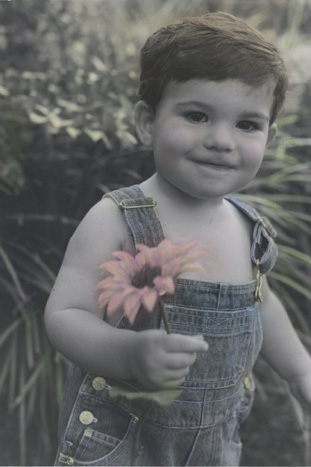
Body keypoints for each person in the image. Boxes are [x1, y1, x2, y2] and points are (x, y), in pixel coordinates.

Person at [45, 12, 311, 466]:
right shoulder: (118, 219)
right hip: (118, 445)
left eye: (247, 125)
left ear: (268, 135)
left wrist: (300, 369)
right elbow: (65, 315)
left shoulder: (248, 227)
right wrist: (125, 354)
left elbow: (260, 303)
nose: (221, 140)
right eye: (196, 115)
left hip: (213, 449)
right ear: (148, 122)